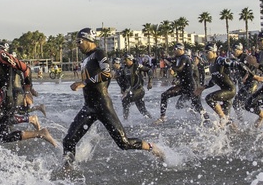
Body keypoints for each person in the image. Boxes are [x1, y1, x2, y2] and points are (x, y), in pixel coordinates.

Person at [60, 29, 163, 172]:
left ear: (88, 39)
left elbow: (107, 74)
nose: (77, 45)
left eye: (79, 42)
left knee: (124, 143)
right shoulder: (86, 59)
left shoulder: (99, 53)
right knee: (68, 140)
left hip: (103, 105)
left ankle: (153, 147)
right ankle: (67, 170)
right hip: (89, 107)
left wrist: (84, 83)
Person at [157, 43, 202, 121]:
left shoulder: (185, 58)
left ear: (181, 50)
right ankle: (162, 117)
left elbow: (180, 68)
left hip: (191, 86)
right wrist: (163, 56)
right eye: (173, 49)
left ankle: (207, 120)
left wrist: (172, 67)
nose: (174, 51)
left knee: (198, 107)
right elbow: (175, 68)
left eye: (175, 49)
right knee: (164, 95)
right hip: (182, 85)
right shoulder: (177, 58)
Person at [201, 44, 237, 119]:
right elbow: (212, 81)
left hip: (230, 90)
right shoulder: (209, 66)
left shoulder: (221, 60)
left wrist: (253, 75)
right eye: (204, 52)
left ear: (214, 52)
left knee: (209, 98)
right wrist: (203, 87)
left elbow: (237, 64)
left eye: (207, 52)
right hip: (224, 92)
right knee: (226, 119)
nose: (205, 54)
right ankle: (237, 130)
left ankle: (223, 118)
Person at [114, 55, 151, 120]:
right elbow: (122, 80)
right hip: (133, 91)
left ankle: (125, 120)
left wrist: (149, 82)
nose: (124, 61)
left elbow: (149, 70)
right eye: (124, 60)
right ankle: (151, 120)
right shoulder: (124, 68)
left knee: (125, 101)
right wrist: (122, 89)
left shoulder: (136, 66)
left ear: (130, 60)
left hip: (140, 90)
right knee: (142, 110)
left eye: (126, 60)